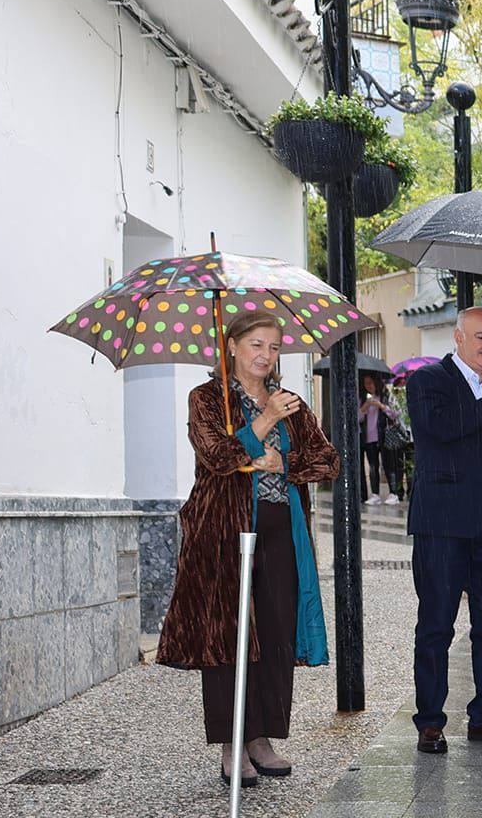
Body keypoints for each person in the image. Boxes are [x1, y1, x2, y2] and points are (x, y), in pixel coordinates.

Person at [159, 312, 339, 785]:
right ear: (232, 346)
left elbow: (328, 461)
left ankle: (262, 738)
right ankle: (231, 744)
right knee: (230, 637)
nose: (266, 355)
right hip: (224, 537)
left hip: (282, 532)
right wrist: (264, 421)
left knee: (276, 634)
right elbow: (217, 456)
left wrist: (285, 460)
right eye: (256, 345)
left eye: (275, 347)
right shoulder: (207, 399)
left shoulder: (291, 403)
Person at [406, 307, 482, 754]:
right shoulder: (427, 382)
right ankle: (431, 722)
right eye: (480, 337)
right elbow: (440, 430)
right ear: (457, 338)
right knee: (437, 625)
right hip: (442, 525)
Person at [360, 373, 400, 504]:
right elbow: (358, 418)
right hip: (369, 438)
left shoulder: (385, 397)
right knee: (372, 466)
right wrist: (364, 407)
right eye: (366, 384)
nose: (368, 386)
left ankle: (393, 493)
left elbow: (395, 414)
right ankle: (375, 494)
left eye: (370, 383)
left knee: (389, 465)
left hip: (384, 436)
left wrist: (381, 406)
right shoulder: (364, 399)